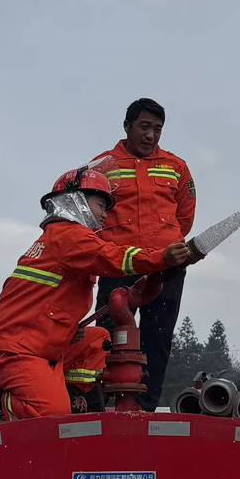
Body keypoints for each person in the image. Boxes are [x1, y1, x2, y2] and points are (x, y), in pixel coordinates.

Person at [0, 163, 190, 420]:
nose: (106, 216)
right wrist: (162, 257)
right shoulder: (69, 236)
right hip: (16, 350)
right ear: (76, 199)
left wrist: (69, 328)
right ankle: (1, 404)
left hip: (38, 343)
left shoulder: (60, 239)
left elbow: (45, 301)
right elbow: (114, 257)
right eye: (102, 206)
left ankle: (75, 401)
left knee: (97, 340)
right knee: (51, 415)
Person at [94, 98, 196, 410]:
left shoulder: (176, 167)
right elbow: (91, 213)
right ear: (127, 127)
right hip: (117, 264)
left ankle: (145, 405)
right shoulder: (102, 166)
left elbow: (185, 218)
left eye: (157, 129)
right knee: (105, 334)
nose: (151, 135)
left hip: (166, 266)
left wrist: (166, 249)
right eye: (144, 127)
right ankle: (97, 403)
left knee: (158, 335)